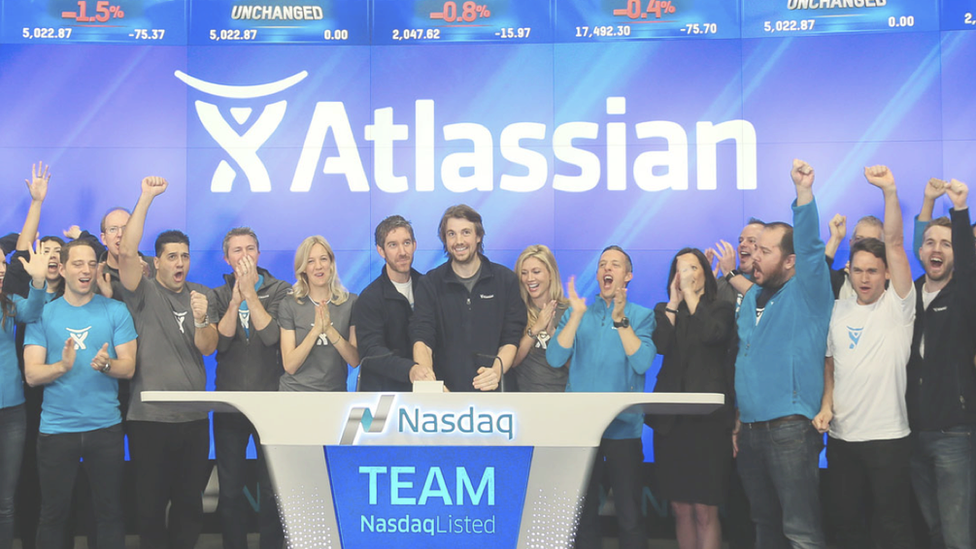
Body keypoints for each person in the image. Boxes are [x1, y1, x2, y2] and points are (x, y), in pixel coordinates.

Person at [811, 166, 914, 549]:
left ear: (887, 274)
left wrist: (889, 189)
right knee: (846, 528)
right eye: (858, 271)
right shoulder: (839, 308)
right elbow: (830, 363)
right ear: (849, 272)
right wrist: (825, 405)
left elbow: (897, 243)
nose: (865, 278)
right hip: (841, 439)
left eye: (873, 271)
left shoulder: (899, 305)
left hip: (888, 438)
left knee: (893, 529)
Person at [733, 159, 833, 549]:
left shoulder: (809, 289)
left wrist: (803, 194)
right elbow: (747, 362)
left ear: (790, 261)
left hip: (790, 429)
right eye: (753, 249)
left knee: (801, 532)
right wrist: (740, 422)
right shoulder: (749, 300)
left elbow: (810, 246)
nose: (754, 256)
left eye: (765, 251)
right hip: (752, 432)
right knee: (765, 527)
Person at [119, 176, 218, 549]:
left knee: (190, 506)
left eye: (185, 256)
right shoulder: (141, 292)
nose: (180, 263)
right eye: (172, 256)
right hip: (149, 420)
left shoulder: (203, 295)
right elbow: (127, 254)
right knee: (149, 507)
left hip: (193, 420)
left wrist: (203, 319)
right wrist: (145, 197)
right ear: (156, 262)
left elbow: (207, 348)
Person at [23, 240, 137, 549]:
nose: (86, 270)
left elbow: (128, 368)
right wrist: (61, 366)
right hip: (57, 431)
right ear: (61, 269)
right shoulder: (43, 315)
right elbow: (32, 374)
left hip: (105, 429)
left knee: (109, 514)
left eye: (91, 264)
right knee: (53, 515)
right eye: (77, 264)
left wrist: (107, 364)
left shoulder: (116, 310)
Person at [546, 245, 655, 549]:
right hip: (581, 430)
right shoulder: (577, 312)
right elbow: (555, 358)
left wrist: (621, 320)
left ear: (628, 275)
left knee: (630, 515)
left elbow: (643, 362)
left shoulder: (642, 316)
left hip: (624, 429)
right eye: (602, 264)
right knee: (582, 518)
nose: (607, 269)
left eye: (615, 264)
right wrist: (577, 315)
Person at [907, 177, 976, 549]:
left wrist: (960, 211)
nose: (936, 249)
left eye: (946, 244)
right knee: (933, 531)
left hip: (954, 433)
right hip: (912, 433)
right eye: (930, 243)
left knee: (957, 536)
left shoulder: (965, 293)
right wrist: (927, 202)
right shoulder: (908, 294)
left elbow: (968, 269)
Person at [651, 248, 735, 549]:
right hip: (672, 424)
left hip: (708, 424)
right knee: (680, 508)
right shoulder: (665, 310)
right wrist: (674, 303)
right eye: (679, 268)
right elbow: (659, 346)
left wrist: (690, 296)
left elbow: (712, 335)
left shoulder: (721, 308)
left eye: (692, 267)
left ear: (705, 273)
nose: (684, 273)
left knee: (704, 509)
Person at [211, 227, 289, 549]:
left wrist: (251, 295)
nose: (244, 256)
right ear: (227, 258)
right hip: (230, 404)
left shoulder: (281, 290)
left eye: (250, 249)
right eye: (237, 250)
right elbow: (222, 341)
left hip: (270, 403)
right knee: (229, 489)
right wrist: (234, 301)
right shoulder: (217, 294)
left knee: (271, 488)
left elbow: (272, 338)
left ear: (259, 254)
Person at [411, 205, 525, 392]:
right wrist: (430, 384)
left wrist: (496, 372)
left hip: (496, 396)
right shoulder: (429, 283)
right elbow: (422, 338)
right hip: (445, 396)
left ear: (478, 236)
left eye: (466, 232)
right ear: (445, 240)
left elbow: (511, 338)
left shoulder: (505, 280)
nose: (459, 241)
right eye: (451, 234)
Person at [0, 242, 49, 549]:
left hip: (12, 414)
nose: (1, 272)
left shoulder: (8, 302)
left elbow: (32, 312)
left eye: (2, 268)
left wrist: (39, 281)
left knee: (5, 502)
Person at [352, 215, 431, 391]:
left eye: (407, 243)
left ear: (415, 245)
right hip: (384, 399)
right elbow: (371, 352)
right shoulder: (369, 298)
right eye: (393, 245)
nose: (402, 252)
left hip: (428, 395)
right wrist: (410, 370)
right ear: (381, 250)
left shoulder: (429, 287)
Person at [278, 235, 358, 392]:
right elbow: (290, 365)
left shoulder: (351, 302)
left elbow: (355, 360)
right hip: (295, 393)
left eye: (323, 259)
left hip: (334, 394)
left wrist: (329, 330)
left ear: (331, 264)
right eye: (310, 261)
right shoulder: (289, 304)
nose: (318, 266)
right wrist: (315, 331)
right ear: (303, 268)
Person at [511, 244, 568, 392]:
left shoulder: (569, 312)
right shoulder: (515, 311)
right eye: (524, 273)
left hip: (564, 399)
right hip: (526, 400)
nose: (530, 279)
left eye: (536, 272)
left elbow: (578, 365)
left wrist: (552, 335)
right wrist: (535, 329)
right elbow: (512, 361)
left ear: (550, 274)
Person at [824, 213, 884, 300]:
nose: (864, 245)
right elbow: (814, 278)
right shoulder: (836, 280)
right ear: (851, 243)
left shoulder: (892, 286)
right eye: (859, 239)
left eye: (871, 241)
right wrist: (835, 238)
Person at [709, 218, 764, 302]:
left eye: (751, 241)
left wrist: (731, 273)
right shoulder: (723, 282)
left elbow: (761, 298)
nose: (742, 244)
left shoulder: (773, 282)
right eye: (740, 241)